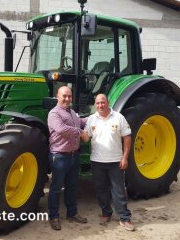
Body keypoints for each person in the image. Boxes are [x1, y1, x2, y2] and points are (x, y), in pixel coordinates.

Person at [81, 94, 135, 231]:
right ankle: (106, 213)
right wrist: (78, 131)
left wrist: (125, 157)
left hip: (116, 161)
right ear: (95, 104)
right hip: (97, 161)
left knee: (119, 191)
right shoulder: (92, 119)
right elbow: (87, 138)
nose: (100, 105)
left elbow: (127, 137)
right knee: (101, 190)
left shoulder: (118, 117)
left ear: (107, 102)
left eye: (102, 102)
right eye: (98, 103)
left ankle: (124, 218)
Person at [47, 86, 88, 230]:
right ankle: (54, 216)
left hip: (73, 156)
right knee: (56, 188)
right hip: (59, 157)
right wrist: (80, 132)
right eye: (64, 96)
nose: (67, 99)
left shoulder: (72, 113)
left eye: (69, 96)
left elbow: (81, 121)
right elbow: (61, 129)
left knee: (72, 186)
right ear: (57, 96)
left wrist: (97, 117)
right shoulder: (54, 113)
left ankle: (72, 213)